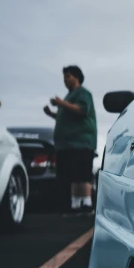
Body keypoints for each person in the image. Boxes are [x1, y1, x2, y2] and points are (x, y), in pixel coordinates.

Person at [44, 65, 97, 214]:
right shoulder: (69, 97)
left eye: (68, 76)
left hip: (81, 142)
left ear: (77, 77)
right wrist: (51, 113)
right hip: (66, 145)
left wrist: (61, 103)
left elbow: (81, 110)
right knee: (72, 175)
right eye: (64, 77)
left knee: (83, 174)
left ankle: (87, 204)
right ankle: (75, 204)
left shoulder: (83, 93)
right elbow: (65, 117)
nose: (65, 80)